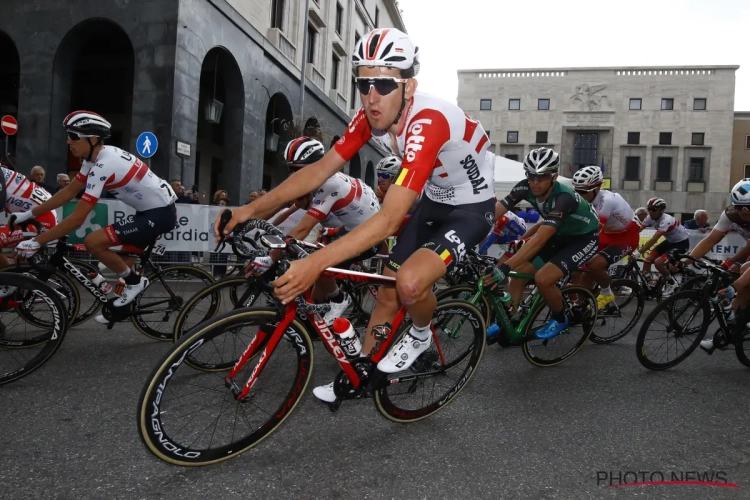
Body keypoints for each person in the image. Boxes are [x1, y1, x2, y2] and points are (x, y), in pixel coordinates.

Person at [217, 28, 495, 399]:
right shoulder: (372, 114)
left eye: (383, 84)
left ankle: (421, 334)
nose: (371, 96)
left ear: (408, 87)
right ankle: (361, 369)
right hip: (435, 201)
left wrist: (316, 264)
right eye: (363, 84)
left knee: (410, 284)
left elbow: (390, 219)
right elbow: (317, 171)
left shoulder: (429, 121)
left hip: (472, 208)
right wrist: (248, 209)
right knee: (386, 290)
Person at [13, 110, 178, 311]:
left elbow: (77, 219)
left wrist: (36, 241)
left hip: (159, 214)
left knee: (94, 242)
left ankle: (136, 283)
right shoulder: (92, 159)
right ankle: (120, 309)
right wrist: (31, 213)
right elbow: (69, 192)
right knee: (122, 267)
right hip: (148, 212)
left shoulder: (104, 164)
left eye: (73, 136)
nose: (68, 141)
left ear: (92, 139)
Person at [248, 137, 380, 329]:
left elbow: (302, 228)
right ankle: (315, 324)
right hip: (350, 229)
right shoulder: (313, 182)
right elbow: (280, 206)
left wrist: (271, 258)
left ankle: (340, 299)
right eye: (290, 169)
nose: (293, 175)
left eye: (298, 169)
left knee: (317, 263)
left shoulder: (329, 184)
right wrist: (249, 224)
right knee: (316, 292)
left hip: (369, 235)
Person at [485, 147, 599, 340]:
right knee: (518, 276)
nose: (535, 182)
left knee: (543, 278)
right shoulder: (524, 187)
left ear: (554, 177)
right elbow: (494, 213)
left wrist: (505, 266)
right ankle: (510, 318)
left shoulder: (564, 198)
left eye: (542, 177)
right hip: (561, 234)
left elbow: (540, 239)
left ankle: (560, 318)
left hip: (583, 238)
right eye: (531, 176)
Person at [679, 180, 750, 350]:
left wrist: (735, 284)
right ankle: (728, 332)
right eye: (741, 209)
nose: (745, 214)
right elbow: (710, 240)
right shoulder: (730, 214)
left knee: (743, 272)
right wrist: (686, 261)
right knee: (743, 278)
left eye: (749, 208)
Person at [570, 166, 639, 309]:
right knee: (582, 269)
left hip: (626, 236)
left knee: (594, 264)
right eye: (575, 191)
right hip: (607, 234)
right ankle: (579, 306)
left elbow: (591, 230)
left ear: (597, 188)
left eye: (582, 192)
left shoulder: (606, 201)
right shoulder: (585, 198)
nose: (578, 195)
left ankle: (606, 292)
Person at [0, 166, 58, 281]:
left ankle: (10, 284)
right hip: (37, 217)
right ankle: (13, 283)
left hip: (41, 220)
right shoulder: (4, 172)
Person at [631, 198, 689, 296]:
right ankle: (650, 284)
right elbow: (637, 231)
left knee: (658, 263)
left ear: (661, 210)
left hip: (681, 243)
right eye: (649, 209)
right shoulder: (649, 217)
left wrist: (639, 252)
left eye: (654, 209)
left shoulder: (667, 220)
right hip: (670, 241)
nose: (650, 212)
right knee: (647, 261)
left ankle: (672, 283)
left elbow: (654, 239)